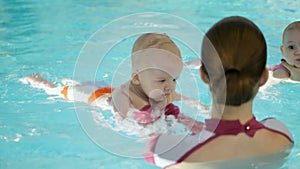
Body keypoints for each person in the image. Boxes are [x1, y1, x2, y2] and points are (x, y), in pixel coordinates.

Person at [145, 16, 294, 168]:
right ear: (263, 77)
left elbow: (146, 133)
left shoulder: (169, 152)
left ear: (203, 75)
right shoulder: (281, 135)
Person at [22, 32, 205, 134]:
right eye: (163, 80)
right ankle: (42, 82)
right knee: (60, 92)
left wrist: (197, 109)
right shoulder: (125, 94)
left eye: (174, 79)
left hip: (106, 87)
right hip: (97, 96)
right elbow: (122, 120)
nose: (171, 85)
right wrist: (142, 129)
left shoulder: (162, 88)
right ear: (136, 78)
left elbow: (180, 99)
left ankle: (73, 81)